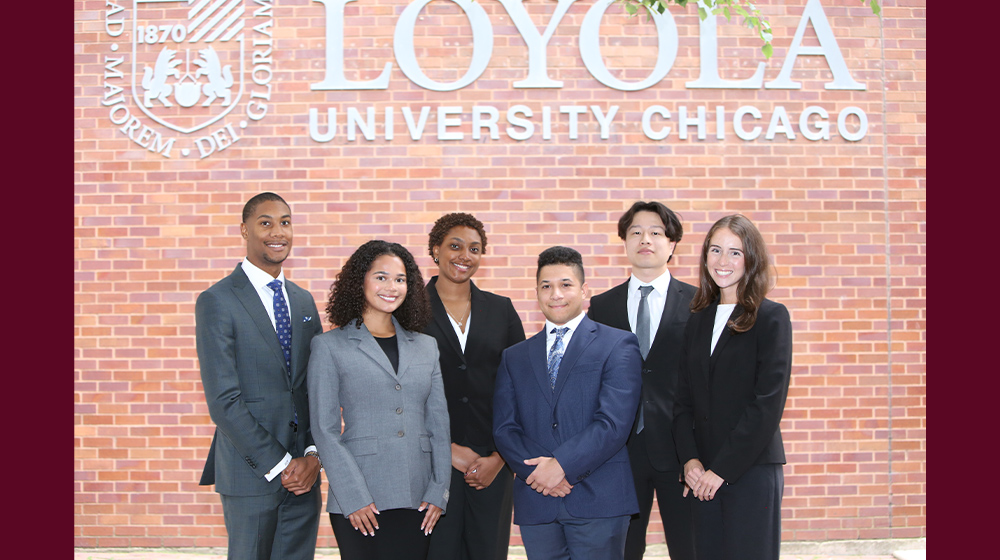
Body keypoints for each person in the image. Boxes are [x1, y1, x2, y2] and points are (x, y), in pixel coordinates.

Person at [196, 192, 324, 560]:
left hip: (305, 473)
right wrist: (282, 464)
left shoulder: (302, 300)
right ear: (244, 229)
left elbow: (314, 388)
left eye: (285, 222)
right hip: (252, 472)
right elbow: (224, 401)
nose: (277, 231)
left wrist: (313, 456)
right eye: (265, 222)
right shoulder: (218, 300)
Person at [493, 246, 642, 560]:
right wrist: (540, 475)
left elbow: (613, 424)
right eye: (546, 286)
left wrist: (561, 466)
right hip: (538, 502)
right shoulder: (514, 356)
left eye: (565, 284)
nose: (555, 294)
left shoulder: (618, 344)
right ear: (536, 293)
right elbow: (505, 429)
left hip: (598, 499)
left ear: (584, 290)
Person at [307, 240, 450, 560]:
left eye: (400, 279)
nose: (392, 287)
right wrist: (352, 495)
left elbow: (439, 425)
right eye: (381, 277)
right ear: (360, 281)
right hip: (360, 497)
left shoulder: (427, 346)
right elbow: (324, 428)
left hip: (419, 497)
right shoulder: (330, 346)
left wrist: (440, 490)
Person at [672, 215, 793, 560]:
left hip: (748, 471)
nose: (723, 262)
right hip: (701, 476)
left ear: (751, 259)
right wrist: (690, 461)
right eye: (715, 250)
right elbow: (682, 402)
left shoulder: (771, 318)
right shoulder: (697, 320)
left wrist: (721, 469)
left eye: (735, 253)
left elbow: (767, 404)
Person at [588, 201, 697, 560]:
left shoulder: (699, 303)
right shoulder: (602, 306)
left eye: (655, 232)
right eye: (635, 232)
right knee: (621, 549)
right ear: (624, 242)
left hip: (683, 450)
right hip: (620, 452)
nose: (644, 239)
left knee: (691, 547)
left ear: (672, 244)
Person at [423, 213, 526, 560]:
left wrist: (501, 458)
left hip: (492, 464)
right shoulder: (409, 310)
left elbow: (521, 389)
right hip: (431, 462)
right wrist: (446, 449)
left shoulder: (501, 309)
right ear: (435, 250)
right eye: (454, 245)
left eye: (474, 248)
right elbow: (402, 392)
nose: (464, 255)